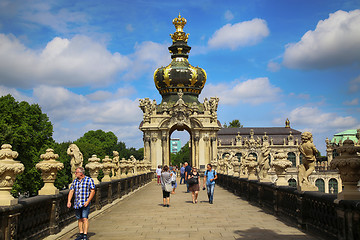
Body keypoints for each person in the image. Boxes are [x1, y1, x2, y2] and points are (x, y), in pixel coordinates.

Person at [67, 167, 95, 240]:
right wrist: (69, 201)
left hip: (85, 202)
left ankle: (85, 235)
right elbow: (71, 191)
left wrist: (88, 201)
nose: (75, 174)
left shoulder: (89, 180)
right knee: (79, 219)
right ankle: (81, 233)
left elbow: (92, 191)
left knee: (85, 218)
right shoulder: (75, 181)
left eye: (76, 172)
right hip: (77, 203)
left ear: (81, 173)